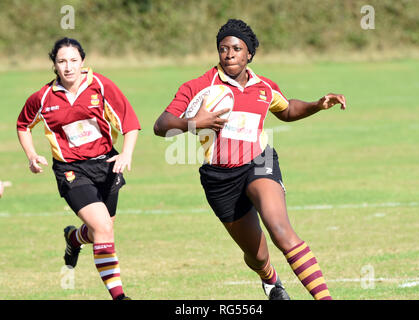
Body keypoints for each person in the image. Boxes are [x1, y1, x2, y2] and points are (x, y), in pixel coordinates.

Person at [154, 19, 346, 300]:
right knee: (256, 255)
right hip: (219, 177)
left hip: (259, 161)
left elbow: (287, 109)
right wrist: (194, 123)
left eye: (236, 48)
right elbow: (161, 125)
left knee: (281, 230)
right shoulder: (198, 86)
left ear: (249, 54)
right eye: (223, 48)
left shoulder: (264, 87)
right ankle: (270, 280)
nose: (229, 54)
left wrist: (317, 104)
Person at [16, 37, 141, 300]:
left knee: (100, 231)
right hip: (71, 170)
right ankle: (119, 296)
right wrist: (31, 155)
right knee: (104, 229)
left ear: (83, 62)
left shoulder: (101, 86)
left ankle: (74, 238)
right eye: (62, 61)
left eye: (74, 60)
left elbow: (129, 122)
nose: (68, 67)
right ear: (54, 65)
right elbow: (23, 125)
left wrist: (126, 154)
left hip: (107, 165)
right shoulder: (43, 97)